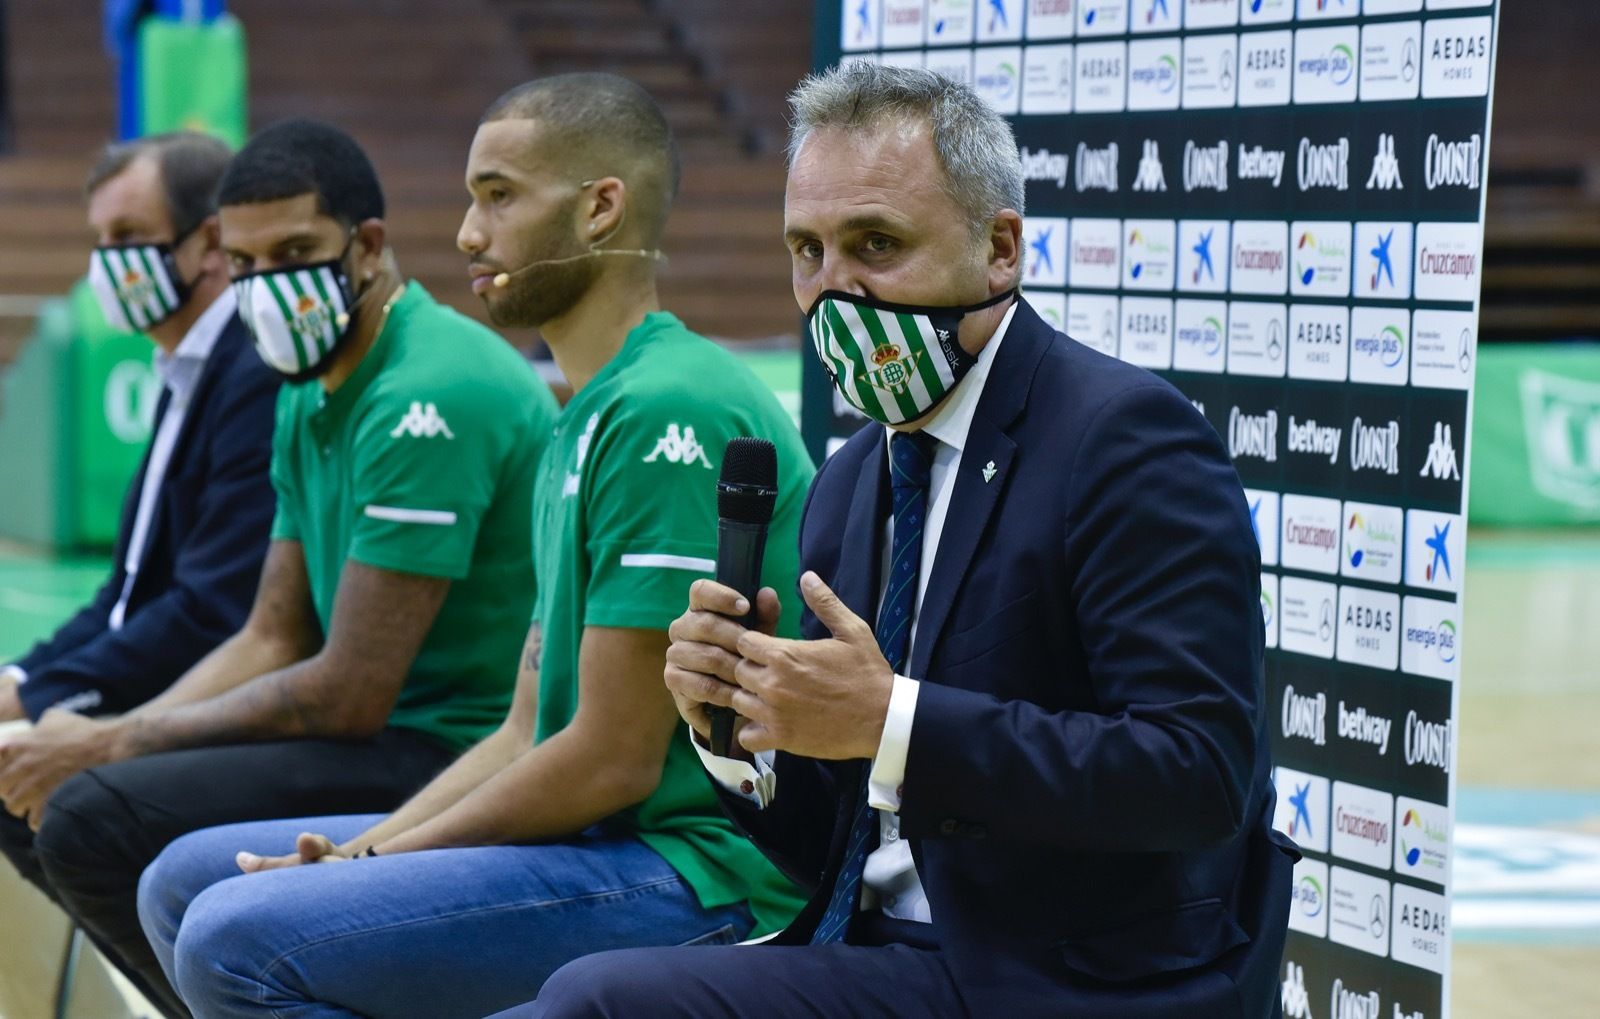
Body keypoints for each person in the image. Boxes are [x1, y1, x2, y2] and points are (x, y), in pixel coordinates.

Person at [511, 62, 1297, 1018]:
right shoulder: (849, 481)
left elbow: (1196, 773)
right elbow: (834, 850)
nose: (833, 289)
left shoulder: (1123, 437)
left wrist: (892, 721)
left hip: (1068, 978)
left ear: (1000, 250)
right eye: (807, 250)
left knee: (595, 999)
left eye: (875, 244)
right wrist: (738, 734)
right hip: (878, 951)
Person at [135, 74, 812, 1019]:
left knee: (232, 936)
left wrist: (372, 860)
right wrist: (361, 852)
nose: (465, 234)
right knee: (180, 881)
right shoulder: (585, 410)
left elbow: (610, 760)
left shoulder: (668, 408)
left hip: (704, 871)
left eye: (498, 196)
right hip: (608, 840)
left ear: (600, 208)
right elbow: (523, 728)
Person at [0, 119, 557, 1017]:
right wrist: (107, 731)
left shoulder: (427, 388)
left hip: (452, 749)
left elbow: (350, 690)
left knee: (89, 814)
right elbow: (269, 634)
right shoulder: (309, 384)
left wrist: (110, 742)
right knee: (56, 789)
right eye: (246, 263)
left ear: (367, 245)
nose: (267, 284)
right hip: (371, 734)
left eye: (295, 252)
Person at [0, 132, 276, 728]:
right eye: (100, 239)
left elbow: (209, 614)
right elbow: (123, 600)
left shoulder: (256, 373)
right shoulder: (184, 370)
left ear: (210, 243)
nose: (107, 262)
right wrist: (19, 679)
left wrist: (35, 704)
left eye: (127, 236)